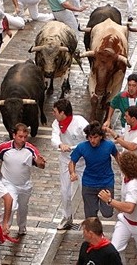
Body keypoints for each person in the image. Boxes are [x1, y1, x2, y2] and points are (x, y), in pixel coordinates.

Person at [0, 123, 46, 236]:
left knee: (23, 208)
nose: (23, 139)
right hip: (8, 183)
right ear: (14, 135)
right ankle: (3, 229)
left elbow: (41, 164)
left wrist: (40, 163)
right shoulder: (4, 147)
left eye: (25, 137)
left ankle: (22, 227)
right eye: (20, 136)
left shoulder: (31, 150)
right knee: (12, 205)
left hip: (25, 184)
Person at [51, 98, 88, 230]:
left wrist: (81, 148)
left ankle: (89, 219)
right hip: (66, 159)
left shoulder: (80, 122)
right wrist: (60, 144)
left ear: (63, 113)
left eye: (55, 111)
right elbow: (54, 137)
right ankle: (67, 217)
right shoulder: (56, 123)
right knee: (65, 191)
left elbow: (90, 137)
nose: (53, 113)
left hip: (82, 161)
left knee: (86, 190)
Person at [69, 121, 119, 218]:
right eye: (90, 137)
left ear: (101, 136)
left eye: (95, 137)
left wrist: (125, 170)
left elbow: (117, 156)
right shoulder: (82, 147)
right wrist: (72, 173)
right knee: (90, 216)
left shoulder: (109, 145)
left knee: (107, 213)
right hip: (89, 183)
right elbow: (72, 161)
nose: (92, 140)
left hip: (106, 182)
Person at [105, 106, 137, 205]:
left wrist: (115, 135)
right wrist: (108, 141)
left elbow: (132, 146)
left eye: (126, 116)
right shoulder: (128, 126)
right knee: (125, 197)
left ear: (133, 119)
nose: (124, 118)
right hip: (128, 170)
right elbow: (125, 138)